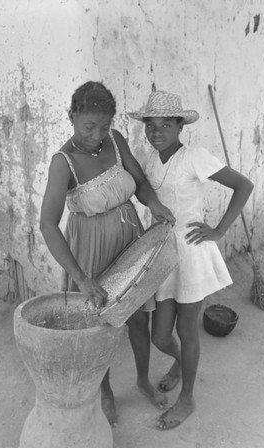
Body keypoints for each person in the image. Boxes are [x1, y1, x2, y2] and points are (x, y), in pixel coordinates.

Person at [40, 81, 175, 426]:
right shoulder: (64, 162)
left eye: (104, 125)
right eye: (89, 126)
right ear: (71, 117)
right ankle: (105, 392)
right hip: (91, 250)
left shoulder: (114, 141)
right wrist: (82, 279)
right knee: (98, 326)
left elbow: (140, 182)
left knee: (138, 318)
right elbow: (48, 226)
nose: (96, 134)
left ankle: (142, 380)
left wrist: (154, 204)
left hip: (130, 238)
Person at [128, 90, 254, 430]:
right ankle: (182, 364)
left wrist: (219, 230)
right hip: (160, 253)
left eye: (165, 125)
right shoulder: (148, 157)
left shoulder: (195, 157)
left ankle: (187, 398)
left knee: (187, 328)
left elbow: (243, 185)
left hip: (190, 250)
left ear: (180, 126)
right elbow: (141, 187)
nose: (157, 133)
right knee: (160, 337)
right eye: (151, 126)